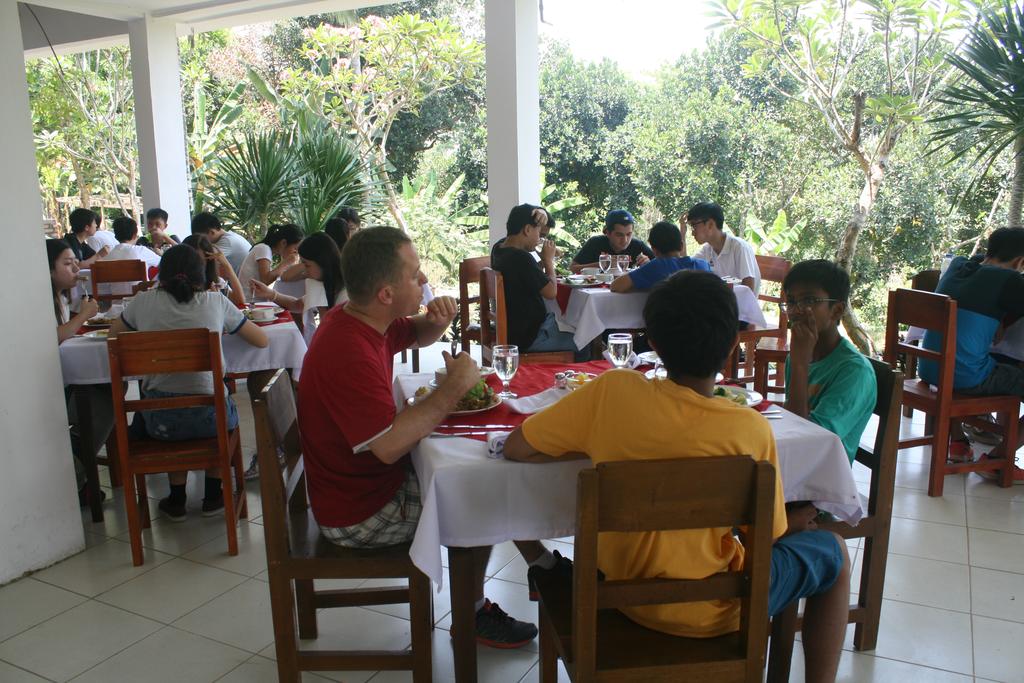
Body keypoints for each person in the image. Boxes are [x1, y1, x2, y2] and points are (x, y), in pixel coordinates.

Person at [503, 270, 851, 683]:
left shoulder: (611, 393)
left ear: (652, 343)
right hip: (722, 610)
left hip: (622, 601)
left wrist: (594, 441)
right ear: (732, 349)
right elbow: (767, 538)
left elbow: (516, 447)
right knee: (835, 554)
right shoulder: (751, 430)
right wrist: (789, 522)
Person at [298, 226, 561, 648]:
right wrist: (452, 389)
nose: (423, 281)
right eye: (415, 274)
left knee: (485, 468)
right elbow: (386, 447)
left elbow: (417, 332)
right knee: (479, 494)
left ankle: (544, 566)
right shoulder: (348, 350)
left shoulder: (363, 319)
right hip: (359, 513)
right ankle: (475, 614)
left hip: (354, 487)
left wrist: (439, 320)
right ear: (386, 293)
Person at [108, 245, 268, 520]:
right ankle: (213, 495)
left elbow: (114, 337)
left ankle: (177, 498)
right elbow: (261, 341)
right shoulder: (215, 302)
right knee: (215, 402)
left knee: (171, 403)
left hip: (159, 423)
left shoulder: (143, 302)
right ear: (202, 274)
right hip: (210, 419)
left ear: (162, 275)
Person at [918, 227, 1024, 479]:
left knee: (960, 364)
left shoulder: (957, 266)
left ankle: (958, 442)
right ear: (1020, 262)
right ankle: (1000, 457)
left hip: (930, 369)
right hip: (966, 377)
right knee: (979, 368)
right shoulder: (1009, 282)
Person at [781, 260, 875, 465]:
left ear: (837, 310)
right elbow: (790, 423)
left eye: (808, 301)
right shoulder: (800, 354)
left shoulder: (854, 371)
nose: (796, 310)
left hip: (822, 481)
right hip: (793, 463)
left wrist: (799, 365)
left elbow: (805, 443)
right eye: (790, 301)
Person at [47, 238, 112, 506]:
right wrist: (83, 316)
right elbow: (52, 337)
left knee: (106, 391)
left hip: (60, 375)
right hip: (46, 384)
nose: (76, 268)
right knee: (104, 396)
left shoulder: (58, 297)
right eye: (67, 263)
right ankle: (75, 471)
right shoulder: (38, 302)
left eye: (76, 262)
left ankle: (78, 466)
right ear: (48, 269)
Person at [491, 204, 581, 358]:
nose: (540, 239)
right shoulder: (521, 258)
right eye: (539, 233)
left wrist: (541, 258)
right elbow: (551, 292)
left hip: (515, 330)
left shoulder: (499, 247)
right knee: (584, 341)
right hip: (530, 337)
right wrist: (548, 261)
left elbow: (525, 275)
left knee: (571, 327)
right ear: (527, 230)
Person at [251, 231, 346, 343]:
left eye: (307, 265)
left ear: (323, 262)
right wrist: (270, 294)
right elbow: (297, 305)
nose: (304, 271)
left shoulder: (347, 293)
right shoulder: (319, 283)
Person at [683, 201, 762, 296]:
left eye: (694, 226)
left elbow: (749, 288)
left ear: (710, 224)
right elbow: (685, 268)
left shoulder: (739, 247)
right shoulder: (707, 250)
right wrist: (682, 233)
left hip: (740, 308)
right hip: (722, 305)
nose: (692, 232)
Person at [610, 221, 710, 292]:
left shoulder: (655, 267)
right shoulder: (703, 265)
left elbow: (615, 286)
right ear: (681, 245)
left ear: (654, 250)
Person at [570, 209, 653, 273]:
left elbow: (663, 267)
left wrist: (649, 264)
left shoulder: (637, 245)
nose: (625, 240)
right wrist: (602, 264)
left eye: (629, 234)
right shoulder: (595, 243)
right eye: (619, 235)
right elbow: (573, 268)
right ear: (607, 233)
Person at [237, 223, 303, 300]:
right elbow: (265, 280)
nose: (296, 252)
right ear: (283, 243)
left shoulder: (267, 250)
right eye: (295, 248)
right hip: (249, 302)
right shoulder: (263, 248)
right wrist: (286, 263)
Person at [181, 234, 246, 308]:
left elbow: (240, 302)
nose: (196, 265)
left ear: (208, 260)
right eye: (192, 260)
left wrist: (227, 266)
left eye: (200, 261)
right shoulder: (176, 285)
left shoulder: (215, 282)